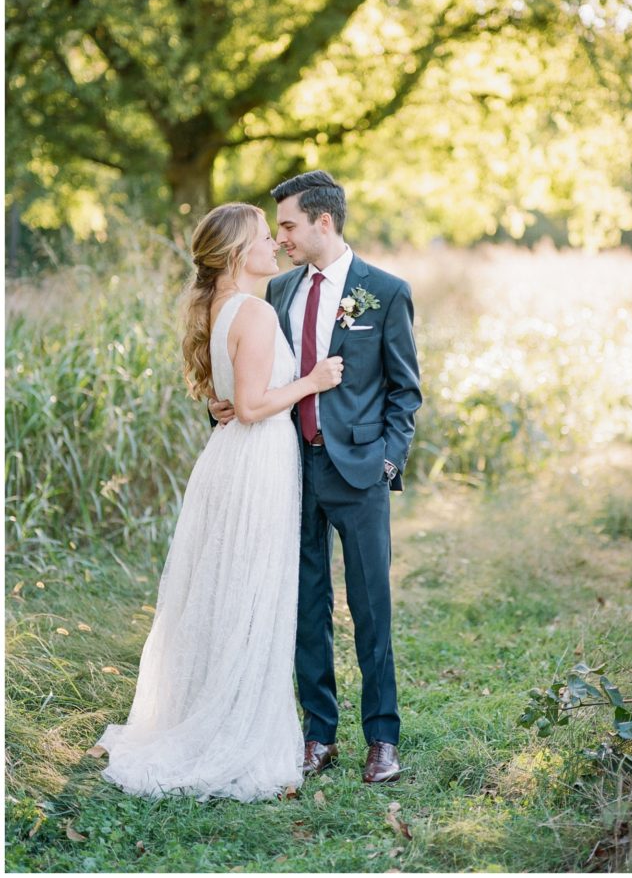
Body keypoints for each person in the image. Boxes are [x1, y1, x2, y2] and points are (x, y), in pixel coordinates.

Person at [96, 202, 343, 801]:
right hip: (256, 460)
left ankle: (210, 705)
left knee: (226, 587)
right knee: (252, 590)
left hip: (230, 458)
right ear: (238, 254)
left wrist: (227, 401)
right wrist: (313, 380)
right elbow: (255, 406)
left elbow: (231, 395)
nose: (274, 246)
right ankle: (232, 728)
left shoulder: (216, 306)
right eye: (264, 237)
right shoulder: (255, 312)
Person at [210, 172, 422, 784]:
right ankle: (318, 734)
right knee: (304, 605)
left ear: (323, 222)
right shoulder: (276, 292)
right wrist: (223, 405)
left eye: (289, 225)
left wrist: (387, 461)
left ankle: (382, 737)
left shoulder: (385, 291)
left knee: (370, 606)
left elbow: (405, 392)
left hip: (359, 473)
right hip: (287, 469)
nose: (282, 238)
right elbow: (253, 372)